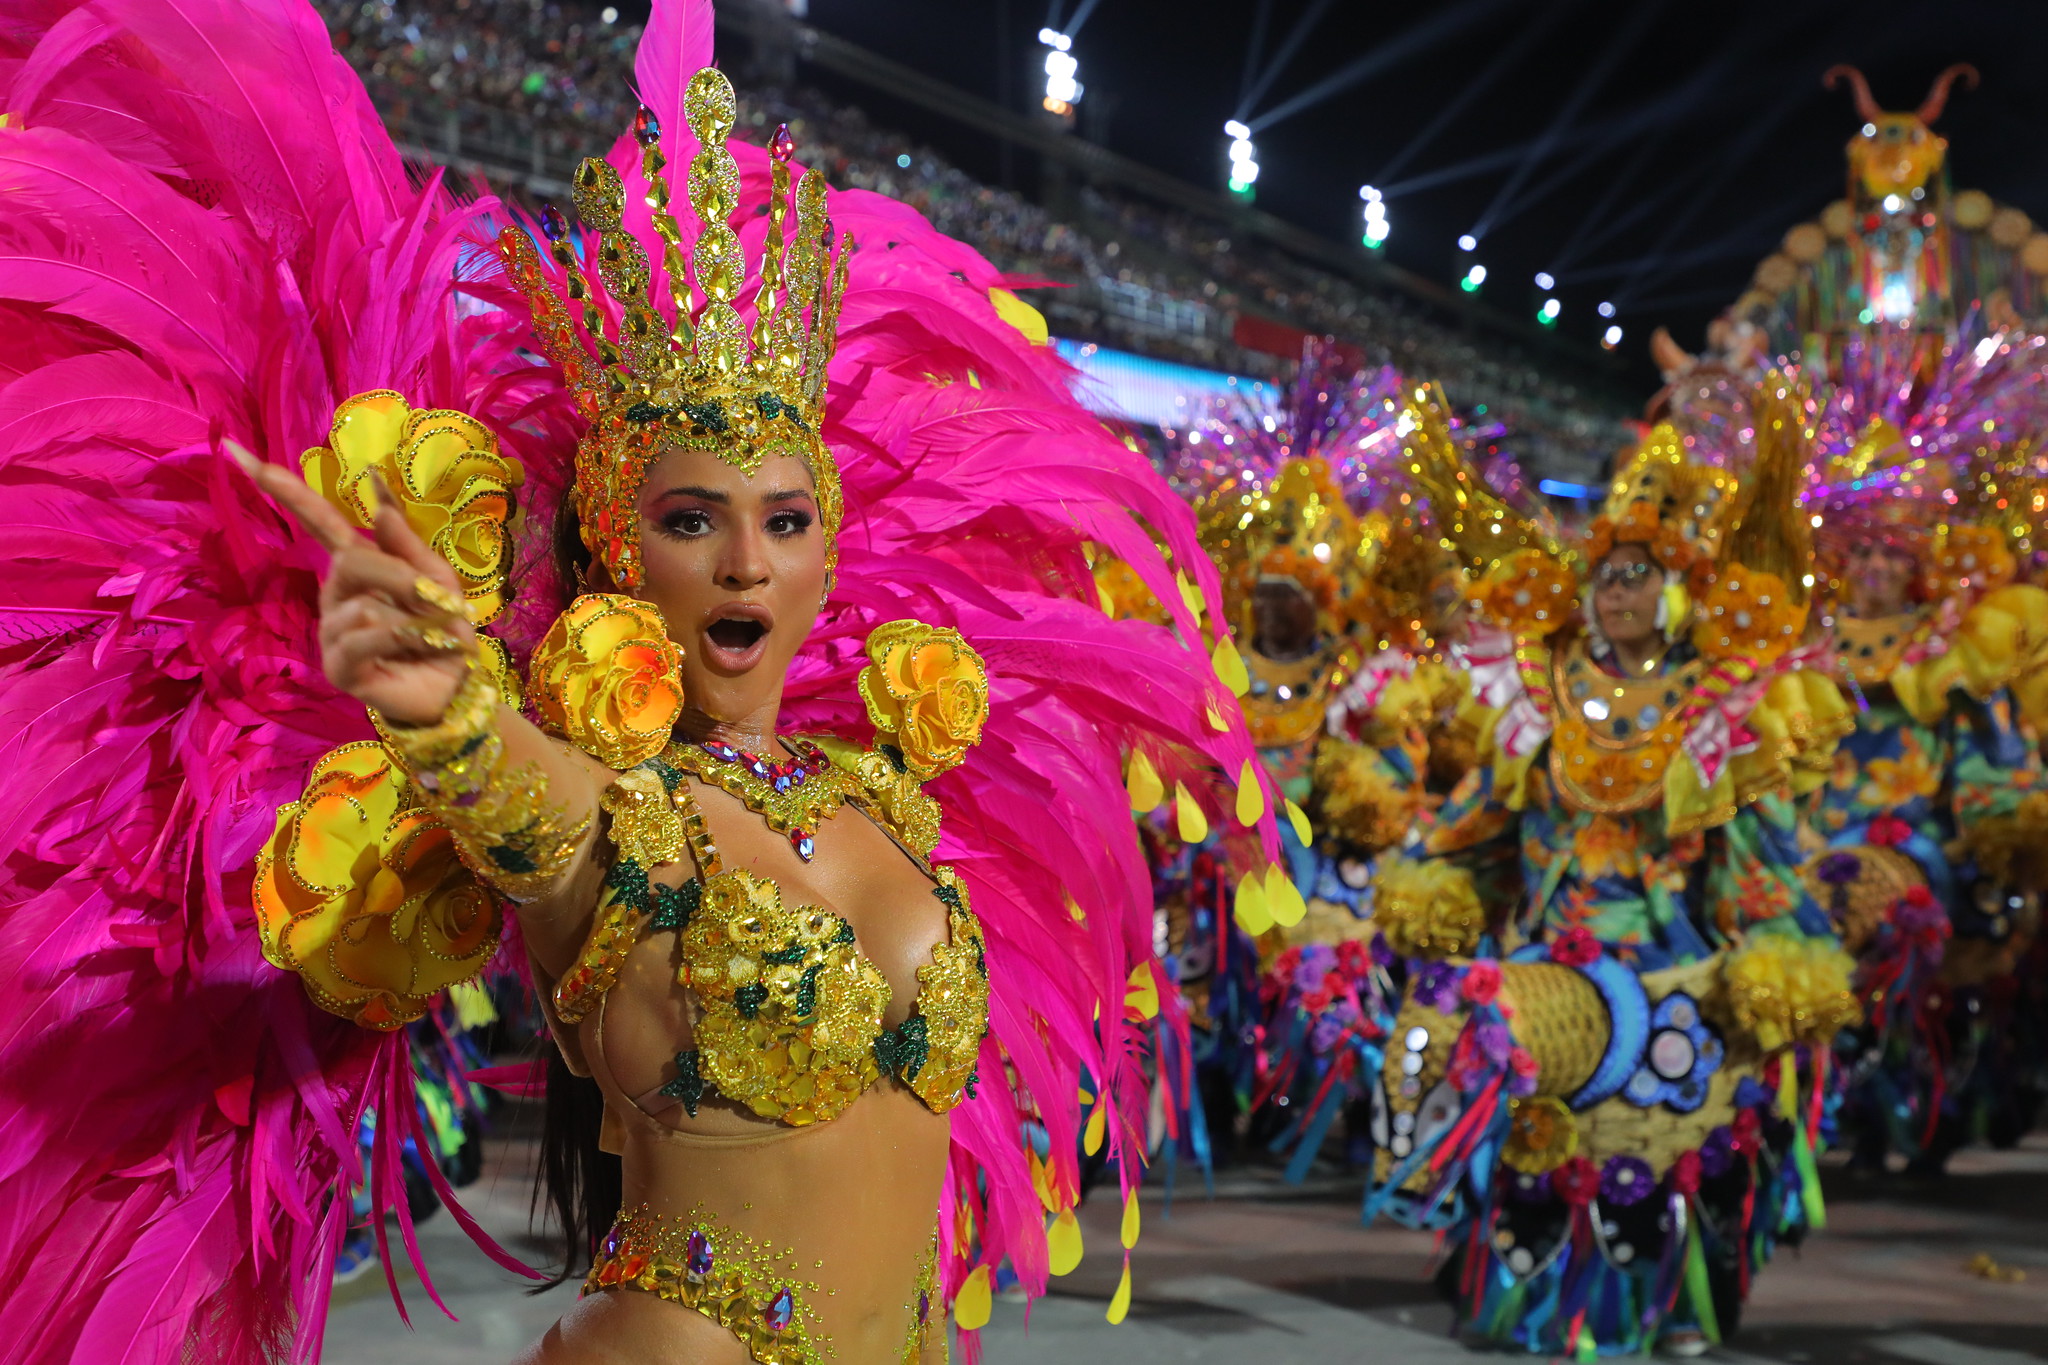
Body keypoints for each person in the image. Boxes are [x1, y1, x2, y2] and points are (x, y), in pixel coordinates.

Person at [0, 3, 1276, 1359]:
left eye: (785, 521)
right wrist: (440, 697)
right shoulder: (611, 813)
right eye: (691, 520)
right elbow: (508, 788)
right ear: (620, 545)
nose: (745, 562)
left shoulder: (882, 797)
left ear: (828, 550)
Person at [1368, 399, 1859, 1357]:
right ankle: (1528, 1292)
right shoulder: (1539, 685)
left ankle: (1670, 1305)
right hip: (1551, 956)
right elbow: (1487, 816)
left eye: (1636, 575)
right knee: (1534, 1128)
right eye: (1603, 575)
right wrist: (1430, 875)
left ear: (1679, 588)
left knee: (1666, 1142)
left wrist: (1776, 945)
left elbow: (1753, 850)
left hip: (1669, 960)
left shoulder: (1725, 698)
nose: (1614, 593)